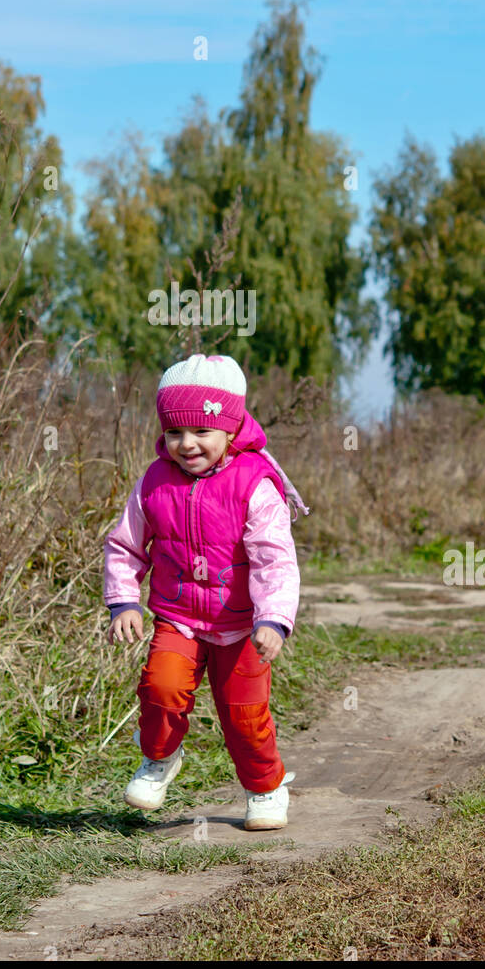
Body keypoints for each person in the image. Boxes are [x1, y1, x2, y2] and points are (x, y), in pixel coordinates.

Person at [104, 351, 309, 830]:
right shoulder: (154, 483)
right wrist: (124, 601)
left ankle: (265, 788)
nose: (186, 444)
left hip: (243, 627)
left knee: (244, 715)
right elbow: (125, 544)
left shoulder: (255, 484)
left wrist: (273, 618)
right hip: (179, 616)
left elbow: (274, 559)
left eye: (202, 431)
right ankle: (159, 759)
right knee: (161, 687)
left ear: (232, 428)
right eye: (174, 432)